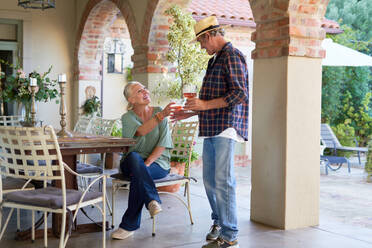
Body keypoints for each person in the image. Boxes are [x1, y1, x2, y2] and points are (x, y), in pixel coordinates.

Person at [172, 16, 249, 248]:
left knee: (223, 181)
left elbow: (240, 94)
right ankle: (219, 223)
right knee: (209, 182)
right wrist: (189, 112)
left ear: (209, 35)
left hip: (225, 128)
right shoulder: (215, 60)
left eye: (201, 42)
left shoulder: (233, 56)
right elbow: (208, 100)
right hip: (211, 128)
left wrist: (204, 105)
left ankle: (230, 234)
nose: (201, 46)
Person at [111, 81, 174, 240]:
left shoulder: (159, 111)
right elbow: (140, 131)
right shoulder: (127, 117)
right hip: (131, 162)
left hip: (158, 164)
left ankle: (128, 226)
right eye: (140, 91)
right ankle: (152, 200)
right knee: (134, 158)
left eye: (145, 88)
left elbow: (163, 144)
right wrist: (160, 117)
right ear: (131, 100)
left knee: (138, 176)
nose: (146, 92)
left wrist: (146, 165)